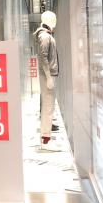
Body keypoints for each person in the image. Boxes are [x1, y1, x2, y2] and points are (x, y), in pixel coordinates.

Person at [34, 11, 59, 145]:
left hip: (48, 74)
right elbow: (43, 57)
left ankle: (46, 136)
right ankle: (45, 139)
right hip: (47, 76)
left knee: (48, 105)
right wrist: (49, 76)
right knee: (48, 106)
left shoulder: (45, 35)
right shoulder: (45, 36)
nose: (55, 22)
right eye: (53, 19)